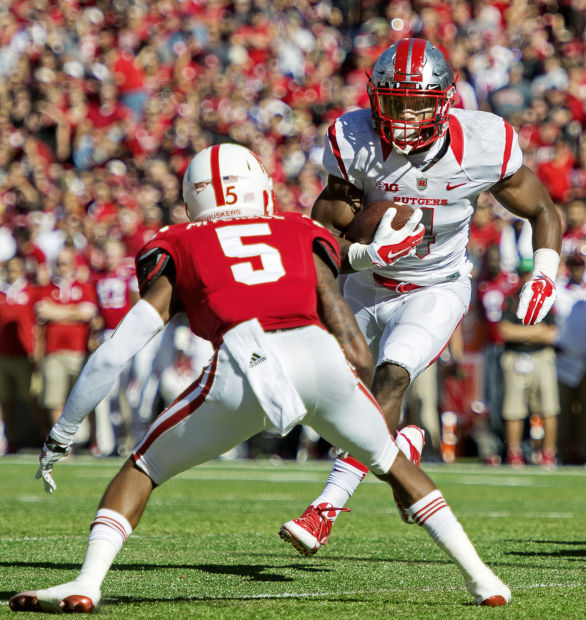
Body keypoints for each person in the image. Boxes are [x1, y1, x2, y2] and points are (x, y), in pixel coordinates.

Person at [9, 144, 510, 612]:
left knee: (141, 467)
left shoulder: (178, 241)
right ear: (259, 185)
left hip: (244, 362)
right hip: (319, 357)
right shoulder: (296, 227)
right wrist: (371, 260)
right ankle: (481, 576)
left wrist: (64, 431)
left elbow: (116, 352)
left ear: (192, 200)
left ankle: (87, 582)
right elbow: (334, 302)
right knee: (391, 461)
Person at [280, 38, 562, 555]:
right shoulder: (355, 138)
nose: (405, 115)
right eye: (393, 101)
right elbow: (320, 242)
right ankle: (402, 447)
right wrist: (364, 254)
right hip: (364, 287)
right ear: (374, 98)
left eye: (418, 102)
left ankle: (325, 509)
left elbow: (542, 209)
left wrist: (543, 271)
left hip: (436, 285)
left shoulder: (484, 141)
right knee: (320, 400)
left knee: (392, 374)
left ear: (445, 101)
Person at [497, 261, 560, 467]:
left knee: (548, 406)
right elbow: (504, 331)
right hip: (515, 357)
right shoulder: (511, 300)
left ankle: (548, 452)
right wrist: (536, 332)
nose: (526, 278)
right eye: (523, 274)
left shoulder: (546, 299)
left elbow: (551, 335)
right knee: (513, 409)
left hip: (541, 356)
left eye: (528, 274)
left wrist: (521, 334)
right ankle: (514, 452)